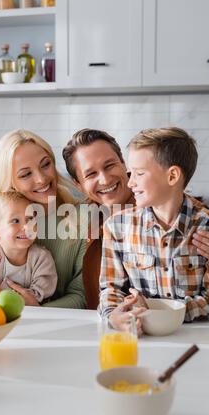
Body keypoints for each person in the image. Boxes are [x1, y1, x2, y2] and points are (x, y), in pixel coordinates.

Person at [99, 127, 209, 330]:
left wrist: (158, 312)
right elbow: (111, 290)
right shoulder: (117, 227)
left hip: (190, 338)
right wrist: (113, 316)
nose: (130, 182)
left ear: (172, 176)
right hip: (139, 334)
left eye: (139, 173)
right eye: (130, 173)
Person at [0, 129, 86, 309]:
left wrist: (36, 310)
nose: (41, 179)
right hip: (3, 322)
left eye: (45, 164)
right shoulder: (0, 223)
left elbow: (82, 296)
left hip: (59, 323)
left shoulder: (84, 218)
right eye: (25, 174)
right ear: (10, 183)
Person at [63, 129, 135, 310]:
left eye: (110, 165)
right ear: (78, 185)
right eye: (91, 174)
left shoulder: (156, 203)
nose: (104, 179)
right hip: (104, 325)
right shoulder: (82, 219)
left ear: (124, 163)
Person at [0, 191, 57, 306]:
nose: (27, 227)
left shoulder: (41, 258)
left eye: (30, 219)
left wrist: (2, 294)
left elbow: (41, 294)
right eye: (15, 221)